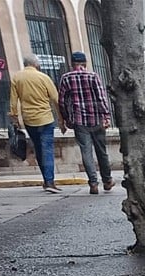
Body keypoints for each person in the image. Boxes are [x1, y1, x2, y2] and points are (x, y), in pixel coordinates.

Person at [58, 52, 114, 194]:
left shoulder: (66, 78)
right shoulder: (93, 76)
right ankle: (107, 180)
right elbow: (101, 97)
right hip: (96, 119)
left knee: (86, 152)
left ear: (72, 64)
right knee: (102, 151)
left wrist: (66, 118)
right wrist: (106, 115)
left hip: (79, 120)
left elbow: (62, 101)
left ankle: (93, 183)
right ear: (85, 63)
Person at [9, 54, 60, 193]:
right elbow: (56, 99)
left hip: (29, 120)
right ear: (36, 65)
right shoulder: (44, 77)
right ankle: (49, 181)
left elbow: (13, 102)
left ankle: (46, 179)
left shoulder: (17, 78)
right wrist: (62, 119)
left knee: (38, 148)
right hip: (45, 119)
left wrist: (15, 119)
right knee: (47, 149)